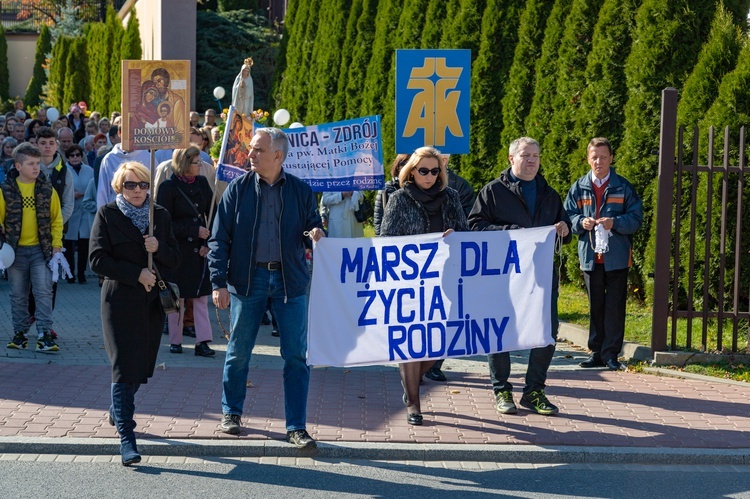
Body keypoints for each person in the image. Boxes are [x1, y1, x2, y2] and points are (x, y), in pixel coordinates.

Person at [208, 127, 324, 448]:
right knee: (238, 352)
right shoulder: (237, 189)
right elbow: (219, 239)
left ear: (278, 155)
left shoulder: (300, 190)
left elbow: (313, 221)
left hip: (290, 283)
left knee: (296, 357)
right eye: (251, 149)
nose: (251, 154)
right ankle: (231, 412)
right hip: (248, 281)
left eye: (258, 149)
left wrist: (316, 231)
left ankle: (296, 427)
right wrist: (218, 282)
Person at [468, 137, 571, 416]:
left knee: (547, 332)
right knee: (499, 331)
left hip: (540, 276)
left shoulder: (549, 193)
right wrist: (512, 233)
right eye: (526, 155)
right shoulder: (493, 191)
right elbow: (475, 227)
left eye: (536, 156)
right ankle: (502, 389)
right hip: (504, 276)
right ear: (511, 158)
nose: (532, 161)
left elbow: (565, 229)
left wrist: (564, 228)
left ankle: (534, 391)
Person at [89, 161, 180, 466]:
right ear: (119, 187)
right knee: (123, 367)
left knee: (140, 368)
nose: (138, 191)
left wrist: (160, 248)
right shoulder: (107, 214)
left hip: (151, 303)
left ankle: (118, 409)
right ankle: (127, 438)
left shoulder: (160, 216)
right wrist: (136, 273)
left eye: (143, 185)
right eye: (131, 185)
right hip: (119, 302)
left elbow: (176, 259)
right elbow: (97, 260)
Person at [380, 146, 469, 425]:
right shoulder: (398, 199)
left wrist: (454, 235)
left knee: (445, 340)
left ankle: (412, 380)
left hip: (445, 278)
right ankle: (414, 403)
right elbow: (386, 239)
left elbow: (466, 232)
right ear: (412, 171)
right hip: (410, 281)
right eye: (423, 171)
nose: (429, 176)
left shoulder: (451, 197)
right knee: (411, 342)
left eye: (434, 171)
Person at [564, 137, 643, 371]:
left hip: (616, 258)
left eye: (603, 157)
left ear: (611, 158)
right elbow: (567, 216)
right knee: (595, 305)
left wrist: (614, 222)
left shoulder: (623, 186)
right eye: (594, 157)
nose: (599, 161)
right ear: (588, 159)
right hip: (590, 258)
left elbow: (636, 219)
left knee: (615, 306)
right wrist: (581, 222)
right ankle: (596, 353)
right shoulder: (578, 187)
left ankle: (611, 354)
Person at [2, 143, 62, 352]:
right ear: (18, 166)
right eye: (31, 164)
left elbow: (57, 219)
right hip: (14, 252)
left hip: (41, 251)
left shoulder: (47, 189)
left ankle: (45, 334)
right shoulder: (6, 190)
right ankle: (20, 334)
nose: (36, 168)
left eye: (37, 163)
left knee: (43, 292)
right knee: (18, 294)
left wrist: (56, 245)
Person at [156, 147, 215, 357]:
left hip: (199, 250)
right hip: (177, 251)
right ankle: (176, 340)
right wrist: (192, 231)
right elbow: (164, 222)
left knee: (200, 298)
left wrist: (207, 242)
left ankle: (203, 341)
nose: (200, 165)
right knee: (177, 298)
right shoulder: (168, 187)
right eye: (196, 162)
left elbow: (212, 214)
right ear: (183, 163)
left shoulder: (202, 183)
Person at [62, 145, 94, 284]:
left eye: (77, 155)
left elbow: (93, 187)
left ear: (81, 156)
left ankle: (81, 274)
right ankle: (69, 274)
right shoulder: (63, 170)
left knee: (84, 244)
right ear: (68, 157)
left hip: (85, 210)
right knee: (68, 244)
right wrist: (71, 194)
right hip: (71, 211)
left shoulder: (89, 170)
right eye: (72, 155)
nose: (75, 157)